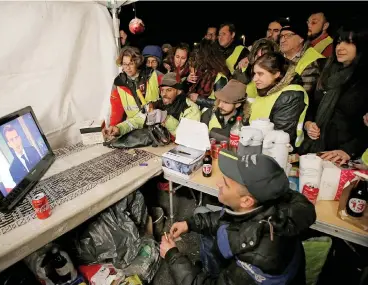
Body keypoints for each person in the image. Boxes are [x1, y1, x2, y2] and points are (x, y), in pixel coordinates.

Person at [160, 150, 316, 285]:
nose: (218, 182)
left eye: (226, 183)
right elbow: (228, 218)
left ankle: (213, 273)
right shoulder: (265, 205)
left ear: (246, 201)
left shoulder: (257, 258)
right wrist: (190, 224)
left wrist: (172, 255)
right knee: (200, 211)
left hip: (242, 274)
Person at [301, 22, 368, 161]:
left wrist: (349, 151)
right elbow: (312, 104)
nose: (340, 48)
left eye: (348, 43)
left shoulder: (363, 79)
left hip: (347, 157)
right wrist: (308, 124)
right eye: (338, 42)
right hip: (316, 151)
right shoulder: (327, 71)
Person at [111, 72, 201, 138]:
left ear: (179, 91)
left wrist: (166, 119)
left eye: (169, 90)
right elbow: (136, 121)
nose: (164, 94)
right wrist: (118, 128)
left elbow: (187, 137)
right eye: (162, 90)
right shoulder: (157, 103)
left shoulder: (190, 108)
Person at [250, 52, 308, 147]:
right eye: (254, 74)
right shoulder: (267, 88)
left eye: (260, 74)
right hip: (257, 144)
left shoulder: (291, 95)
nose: (255, 79)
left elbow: (280, 135)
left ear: (277, 74)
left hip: (278, 150)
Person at [104, 46, 163, 137]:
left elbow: (171, 92)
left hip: (158, 126)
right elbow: (116, 108)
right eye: (124, 64)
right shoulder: (119, 82)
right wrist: (114, 126)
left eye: (131, 63)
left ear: (137, 62)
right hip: (135, 128)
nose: (127, 68)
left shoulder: (153, 74)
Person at [279, 22, 324, 97]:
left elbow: (302, 95)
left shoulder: (313, 60)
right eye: (281, 36)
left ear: (301, 39)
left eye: (288, 36)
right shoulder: (275, 55)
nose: (282, 40)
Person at [187, 40, 231, 110]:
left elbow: (221, 104)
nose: (197, 57)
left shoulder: (220, 77)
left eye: (199, 54)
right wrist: (188, 80)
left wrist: (199, 99)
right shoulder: (202, 72)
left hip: (210, 116)